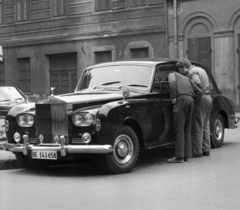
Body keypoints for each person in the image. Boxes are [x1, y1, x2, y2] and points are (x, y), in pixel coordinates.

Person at [176, 58, 212, 157]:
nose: (180, 73)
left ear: (184, 67)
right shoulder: (201, 69)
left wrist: (195, 99)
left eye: (180, 70)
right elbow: (209, 84)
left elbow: (197, 83)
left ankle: (197, 152)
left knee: (197, 125)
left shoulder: (192, 72)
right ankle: (206, 149)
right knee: (205, 125)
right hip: (208, 97)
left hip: (201, 99)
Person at [167, 71, 202, 163]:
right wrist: (194, 102)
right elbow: (199, 92)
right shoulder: (186, 79)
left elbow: (172, 83)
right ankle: (188, 156)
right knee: (187, 129)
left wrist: (173, 96)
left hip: (181, 100)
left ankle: (179, 157)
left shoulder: (172, 74)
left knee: (179, 129)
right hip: (191, 101)